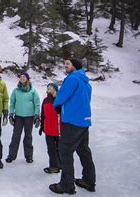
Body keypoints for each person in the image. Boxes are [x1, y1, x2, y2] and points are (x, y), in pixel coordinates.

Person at [49, 59, 96, 195]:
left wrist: (56, 104)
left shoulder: (72, 79)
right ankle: (89, 180)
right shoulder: (86, 82)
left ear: (75, 66)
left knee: (65, 151)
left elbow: (62, 96)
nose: (65, 65)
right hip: (84, 121)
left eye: (68, 63)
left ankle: (66, 185)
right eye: (65, 63)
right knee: (83, 150)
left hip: (72, 121)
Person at [5, 72, 40, 164]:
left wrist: (37, 115)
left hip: (29, 117)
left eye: (24, 77)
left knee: (28, 136)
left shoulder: (32, 91)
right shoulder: (16, 91)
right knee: (16, 136)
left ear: (27, 79)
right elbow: (12, 103)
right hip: (18, 117)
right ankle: (11, 156)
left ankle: (29, 156)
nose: (22, 78)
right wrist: (11, 114)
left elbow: (37, 103)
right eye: (21, 77)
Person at [39, 82, 61, 174]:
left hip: (59, 128)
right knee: (51, 149)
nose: (49, 88)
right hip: (48, 128)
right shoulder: (45, 100)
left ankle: (62, 165)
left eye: (51, 87)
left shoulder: (60, 99)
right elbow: (43, 114)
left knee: (60, 149)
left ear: (55, 89)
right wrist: (41, 126)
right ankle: (53, 166)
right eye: (48, 87)